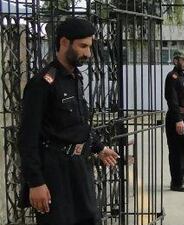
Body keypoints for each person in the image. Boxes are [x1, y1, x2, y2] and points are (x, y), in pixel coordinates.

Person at [18, 17, 119, 225]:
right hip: (54, 171)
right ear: (64, 42)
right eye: (83, 46)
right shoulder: (43, 83)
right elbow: (27, 138)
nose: (88, 53)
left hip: (78, 167)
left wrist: (98, 147)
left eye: (89, 47)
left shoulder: (75, 78)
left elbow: (77, 124)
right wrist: (35, 182)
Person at [164, 50, 184, 192]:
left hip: (183, 117)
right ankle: (176, 182)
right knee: (176, 150)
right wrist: (178, 120)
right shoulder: (172, 77)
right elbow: (172, 100)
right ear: (175, 61)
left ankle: (181, 177)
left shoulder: (182, 77)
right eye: (183, 60)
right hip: (176, 118)